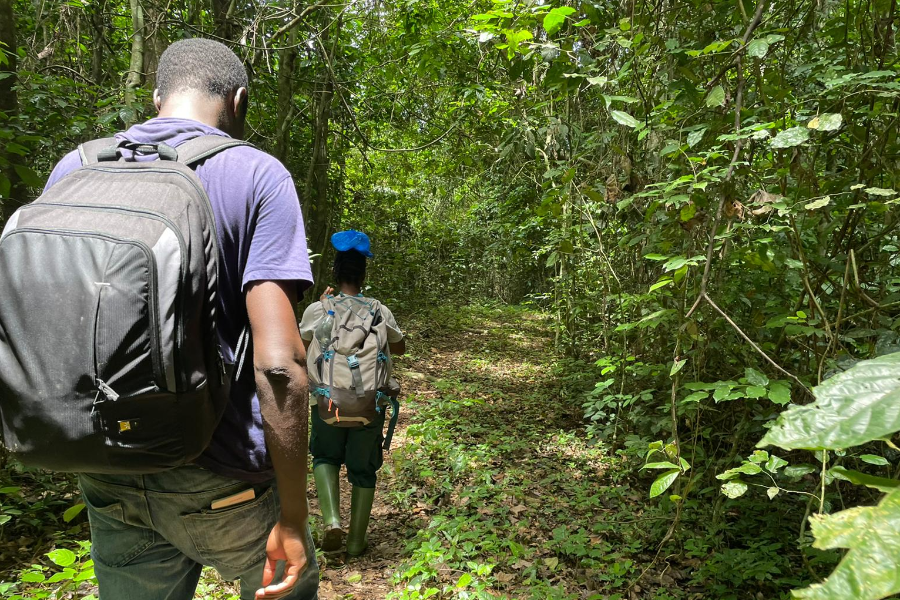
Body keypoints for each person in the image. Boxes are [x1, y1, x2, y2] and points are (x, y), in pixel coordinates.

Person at [42, 38, 318, 600]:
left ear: (156, 97)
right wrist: (293, 515)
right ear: (238, 101)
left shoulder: (75, 168)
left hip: (107, 462)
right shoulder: (258, 176)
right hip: (222, 478)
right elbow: (280, 364)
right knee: (292, 586)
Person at [298, 230, 406, 556]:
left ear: (335, 271)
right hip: (368, 404)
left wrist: (323, 308)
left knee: (325, 456)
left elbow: (300, 345)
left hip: (328, 401)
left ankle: (332, 520)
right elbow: (400, 347)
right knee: (363, 470)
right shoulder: (378, 310)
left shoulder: (319, 310)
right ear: (363, 274)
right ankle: (357, 543)